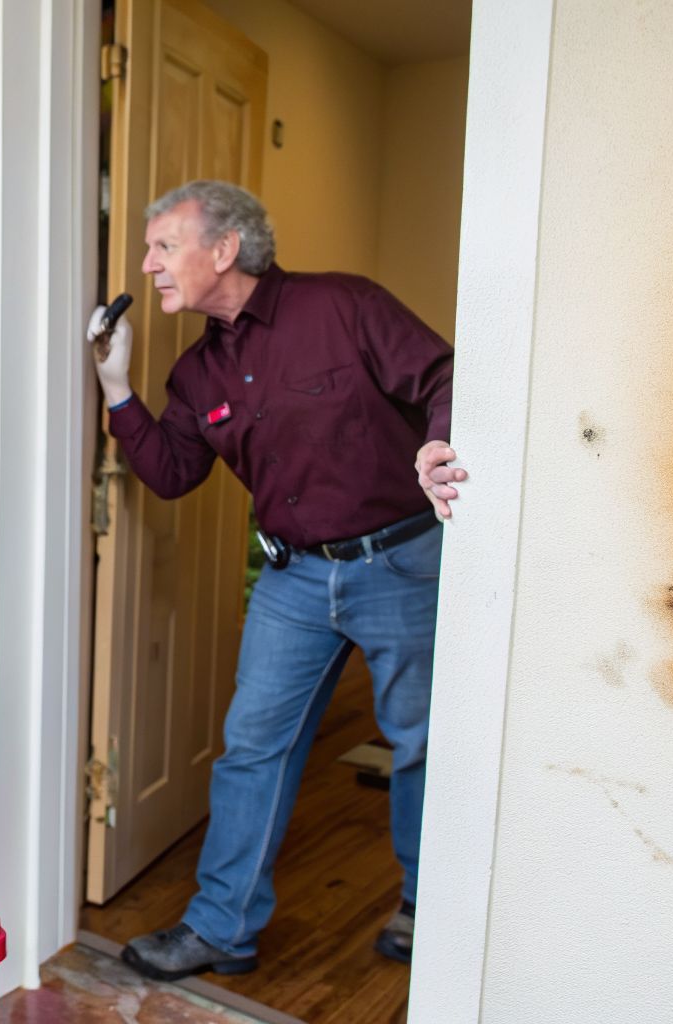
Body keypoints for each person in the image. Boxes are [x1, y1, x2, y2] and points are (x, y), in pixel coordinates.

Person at [89, 180, 465, 980]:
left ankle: (430, 909)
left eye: (164, 246)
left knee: (421, 743)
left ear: (223, 249)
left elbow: (443, 375)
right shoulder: (196, 376)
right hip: (294, 581)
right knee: (252, 750)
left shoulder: (343, 307)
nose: (149, 263)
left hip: (401, 563)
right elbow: (171, 473)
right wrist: (116, 386)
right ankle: (221, 928)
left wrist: (437, 446)